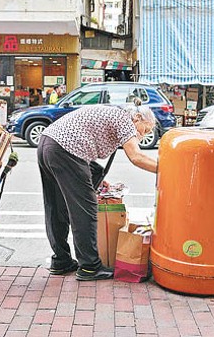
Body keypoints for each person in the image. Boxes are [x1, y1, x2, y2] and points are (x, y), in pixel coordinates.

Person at [37, 99, 157, 281]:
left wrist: (96, 179)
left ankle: (61, 261)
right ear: (138, 118)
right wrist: (167, 167)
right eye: (145, 129)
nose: (142, 135)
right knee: (85, 210)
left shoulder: (113, 113)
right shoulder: (125, 120)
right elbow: (136, 156)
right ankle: (89, 267)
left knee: (56, 206)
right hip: (66, 150)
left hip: (48, 144)